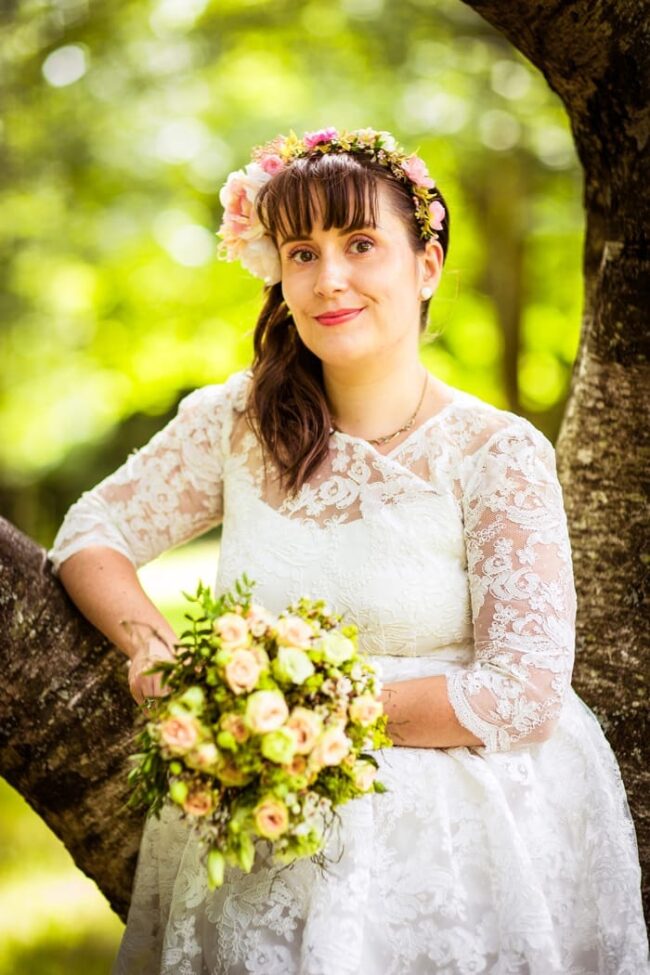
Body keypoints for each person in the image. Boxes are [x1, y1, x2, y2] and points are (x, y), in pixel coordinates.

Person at [47, 127, 649, 975]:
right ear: (278, 275)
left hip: (456, 847)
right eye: (302, 251)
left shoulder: (495, 452)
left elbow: (524, 693)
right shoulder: (240, 423)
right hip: (269, 842)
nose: (330, 278)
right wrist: (159, 650)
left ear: (427, 265)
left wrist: (308, 716)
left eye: (361, 243)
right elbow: (90, 533)